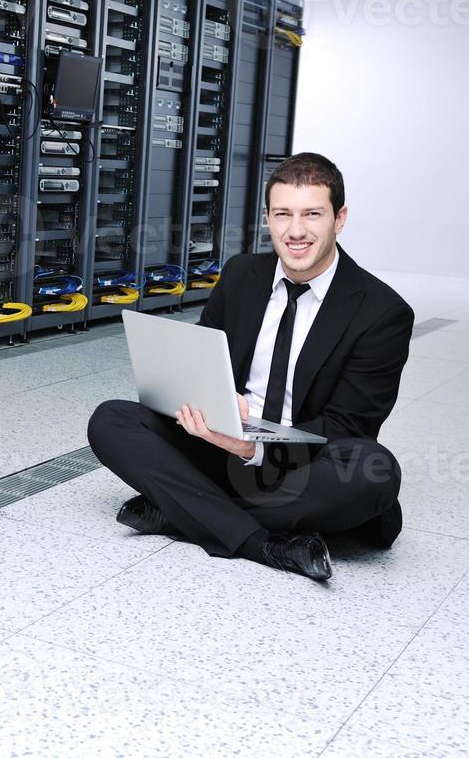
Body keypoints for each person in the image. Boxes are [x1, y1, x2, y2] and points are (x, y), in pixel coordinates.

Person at [87, 153, 412, 581]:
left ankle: (183, 508)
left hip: (302, 465)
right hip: (220, 444)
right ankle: (264, 543)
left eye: (312, 214)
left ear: (340, 218)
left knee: (376, 472)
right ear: (268, 218)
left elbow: (348, 427)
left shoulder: (382, 311)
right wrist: (206, 409)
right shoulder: (242, 274)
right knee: (111, 419)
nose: (296, 231)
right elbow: (200, 362)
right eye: (283, 215)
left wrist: (251, 447)